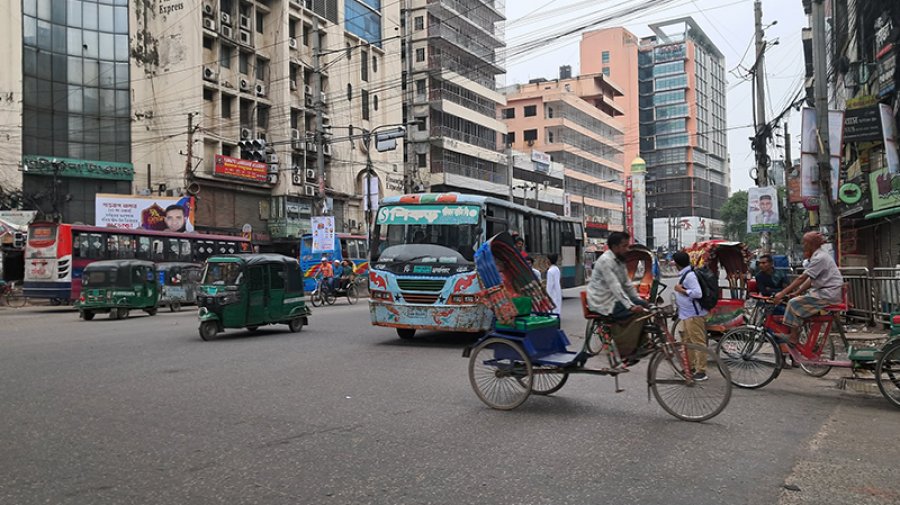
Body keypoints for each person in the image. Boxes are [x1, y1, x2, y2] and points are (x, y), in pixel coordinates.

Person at [773, 232, 844, 346]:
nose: (803, 245)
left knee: (793, 303)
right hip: (823, 292)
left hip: (827, 294)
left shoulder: (820, 258)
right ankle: (798, 333)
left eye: (805, 242)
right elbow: (810, 280)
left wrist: (782, 293)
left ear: (811, 244)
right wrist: (797, 292)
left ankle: (793, 337)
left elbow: (802, 278)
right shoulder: (818, 256)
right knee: (797, 302)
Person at [586, 231, 649, 360]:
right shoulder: (606, 261)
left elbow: (627, 284)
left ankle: (642, 343)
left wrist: (638, 300)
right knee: (638, 313)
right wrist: (630, 306)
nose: (627, 249)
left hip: (614, 298)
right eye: (624, 246)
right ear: (615, 247)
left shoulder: (620, 261)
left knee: (645, 307)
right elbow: (615, 286)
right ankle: (626, 349)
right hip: (603, 302)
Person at [672, 251, 709, 381]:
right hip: (686, 315)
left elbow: (697, 293)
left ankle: (701, 371)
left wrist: (681, 290)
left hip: (694, 315)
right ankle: (691, 367)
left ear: (676, 264)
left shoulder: (690, 276)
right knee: (687, 342)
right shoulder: (686, 273)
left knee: (698, 342)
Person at [546, 253, 562, 317]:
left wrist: (547, 296)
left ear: (549, 260)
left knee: (552, 312)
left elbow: (549, 286)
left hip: (552, 294)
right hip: (557, 291)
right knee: (557, 309)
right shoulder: (556, 269)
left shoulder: (550, 271)